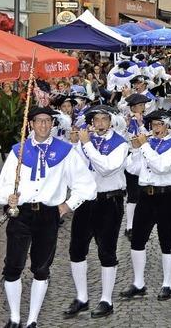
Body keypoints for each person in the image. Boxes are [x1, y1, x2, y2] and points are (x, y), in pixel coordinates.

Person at [0, 107, 97, 328]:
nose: (43, 125)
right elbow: (2, 187)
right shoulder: (18, 151)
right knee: (13, 266)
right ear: (30, 124)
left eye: (47, 121)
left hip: (48, 215)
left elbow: (87, 185)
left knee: (41, 268)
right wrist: (8, 198)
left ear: (52, 124)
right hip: (21, 214)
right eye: (38, 121)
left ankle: (32, 320)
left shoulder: (65, 151)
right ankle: (14, 318)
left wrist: (67, 206)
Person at [64, 106, 129, 319]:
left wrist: (86, 144)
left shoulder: (120, 142)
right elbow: (77, 168)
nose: (100, 123)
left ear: (110, 121)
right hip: (86, 200)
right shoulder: (86, 142)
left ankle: (106, 300)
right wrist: (74, 145)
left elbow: (107, 168)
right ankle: (81, 297)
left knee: (106, 251)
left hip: (109, 200)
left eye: (104, 119)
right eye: (96, 119)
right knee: (77, 249)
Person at [120, 110, 171, 302]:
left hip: (168, 196)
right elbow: (131, 169)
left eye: (159, 125)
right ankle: (138, 283)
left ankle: (167, 284)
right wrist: (137, 149)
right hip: (145, 196)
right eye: (153, 125)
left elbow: (161, 167)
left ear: (168, 126)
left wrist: (145, 146)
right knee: (138, 240)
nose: (155, 129)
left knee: (166, 240)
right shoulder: (149, 144)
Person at [122, 93, 151, 241]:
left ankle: (140, 223)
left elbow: (149, 138)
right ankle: (130, 226)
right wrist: (128, 126)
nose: (142, 108)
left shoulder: (146, 121)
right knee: (132, 195)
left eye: (143, 105)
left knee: (142, 195)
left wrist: (141, 125)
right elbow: (127, 140)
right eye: (140, 106)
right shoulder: (128, 122)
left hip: (145, 161)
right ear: (133, 108)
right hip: (133, 161)